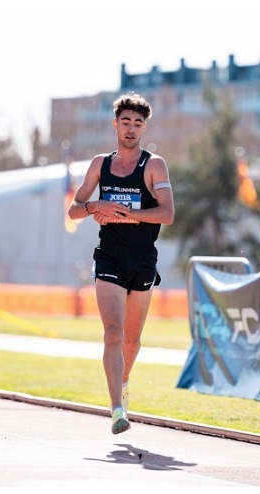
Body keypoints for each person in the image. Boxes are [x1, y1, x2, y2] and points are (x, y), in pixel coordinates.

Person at [67, 92, 175, 434]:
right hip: (110, 256)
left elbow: (168, 214)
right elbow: (74, 208)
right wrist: (94, 207)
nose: (131, 129)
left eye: (138, 124)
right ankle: (116, 410)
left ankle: (123, 381)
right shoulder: (100, 164)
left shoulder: (154, 164)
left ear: (144, 128)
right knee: (112, 334)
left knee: (131, 340)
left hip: (143, 259)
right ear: (115, 124)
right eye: (125, 122)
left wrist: (130, 214)